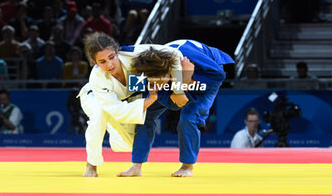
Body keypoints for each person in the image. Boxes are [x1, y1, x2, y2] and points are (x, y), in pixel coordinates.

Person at [78, 33, 194, 177]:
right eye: (102, 62)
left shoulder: (133, 54)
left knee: (130, 143)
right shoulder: (97, 78)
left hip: (127, 100)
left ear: (117, 51)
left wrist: (178, 89)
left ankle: (112, 131)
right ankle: (91, 165)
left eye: (111, 57)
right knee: (99, 114)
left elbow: (174, 53)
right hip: (94, 96)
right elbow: (116, 109)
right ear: (95, 63)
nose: (109, 64)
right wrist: (150, 100)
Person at [117, 39, 234, 177]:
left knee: (189, 118)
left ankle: (187, 166)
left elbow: (219, 75)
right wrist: (160, 90)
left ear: (169, 71)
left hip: (201, 76)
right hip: (176, 79)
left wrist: (185, 81)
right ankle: (136, 165)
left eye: (160, 80)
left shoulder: (190, 61)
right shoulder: (147, 66)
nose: (158, 84)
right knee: (144, 114)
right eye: (153, 81)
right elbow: (117, 50)